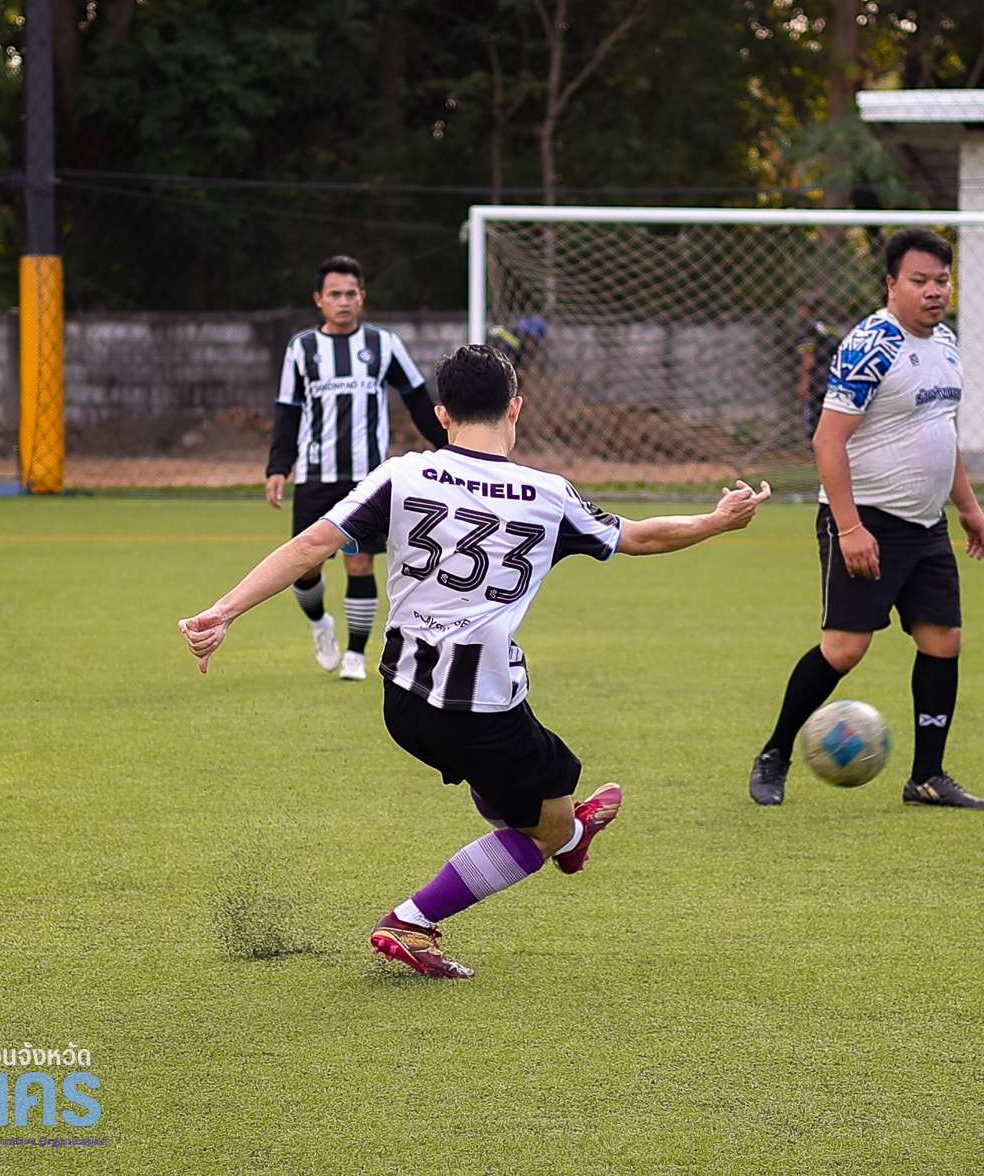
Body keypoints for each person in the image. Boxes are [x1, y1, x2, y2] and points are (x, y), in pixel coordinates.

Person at [184, 345, 772, 979]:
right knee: (545, 831)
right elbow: (640, 537)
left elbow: (312, 544)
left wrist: (224, 611)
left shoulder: (401, 475)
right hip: (481, 707)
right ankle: (416, 918)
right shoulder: (548, 494)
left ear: (442, 414)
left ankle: (567, 834)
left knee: (516, 788)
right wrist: (718, 520)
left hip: (403, 700)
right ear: (515, 408)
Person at [748, 227, 984, 809]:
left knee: (943, 641)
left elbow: (941, 432)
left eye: (942, 280)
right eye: (919, 280)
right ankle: (775, 753)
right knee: (844, 650)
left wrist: (967, 505)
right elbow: (827, 441)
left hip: (927, 523)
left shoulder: (947, 343)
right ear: (891, 284)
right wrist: (851, 528)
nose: (934, 291)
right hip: (868, 521)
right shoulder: (870, 345)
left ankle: (927, 778)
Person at [266, 255, 448, 681]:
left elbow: (417, 400)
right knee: (305, 567)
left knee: (361, 562)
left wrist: (451, 448)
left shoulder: (384, 345)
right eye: (335, 294)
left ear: (362, 297)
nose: (344, 302)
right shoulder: (301, 349)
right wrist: (278, 465)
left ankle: (355, 654)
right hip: (316, 475)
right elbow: (288, 411)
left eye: (351, 294)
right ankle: (319, 624)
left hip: (368, 479)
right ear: (319, 299)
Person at [792, 291, 843, 441]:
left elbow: (809, 356)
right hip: (836, 378)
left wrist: (804, 382)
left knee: (814, 422)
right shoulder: (829, 326)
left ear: (804, 308)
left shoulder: (806, 328)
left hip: (817, 381)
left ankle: (817, 447)